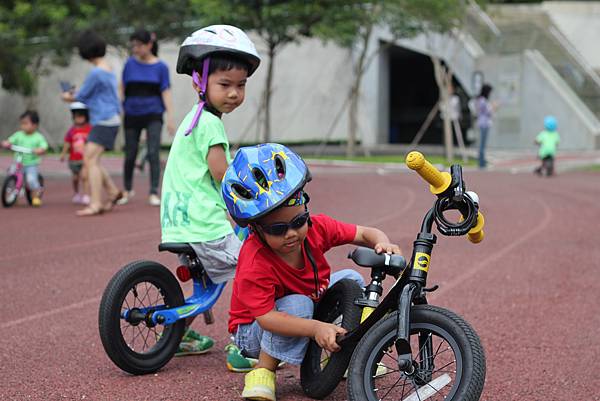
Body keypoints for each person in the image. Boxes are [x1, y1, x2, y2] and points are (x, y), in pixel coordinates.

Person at [222, 143, 403, 401]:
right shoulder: (255, 260)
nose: (291, 233)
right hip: (253, 331)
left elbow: (363, 233)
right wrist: (316, 327)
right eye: (277, 229)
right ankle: (263, 371)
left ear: (306, 211)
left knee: (350, 280)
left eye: (298, 222)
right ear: (256, 229)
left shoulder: (317, 228)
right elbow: (267, 318)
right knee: (297, 304)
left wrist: (381, 242)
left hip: (307, 301)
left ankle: (344, 355)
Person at [160, 25, 261, 358]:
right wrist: (254, 198)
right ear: (199, 83)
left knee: (205, 282)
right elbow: (222, 175)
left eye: (241, 85)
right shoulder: (211, 124)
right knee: (257, 267)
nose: (234, 93)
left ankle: (181, 336)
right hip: (205, 225)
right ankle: (245, 344)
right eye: (225, 84)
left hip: (181, 222)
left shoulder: (196, 117)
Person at [61, 30, 123, 216]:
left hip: (104, 120)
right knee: (93, 159)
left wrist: (66, 96)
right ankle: (112, 192)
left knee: (89, 160)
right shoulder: (108, 68)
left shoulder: (96, 72)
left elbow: (82, 96)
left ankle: (95, 203)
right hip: (110, 119)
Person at [119, 29, 176, 207]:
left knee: (153, 153)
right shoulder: (129, 64)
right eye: (133, 45)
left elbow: (165, 92)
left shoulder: (161, 67)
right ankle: (127, 190)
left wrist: (170, 117)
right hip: (131, 114)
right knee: (130, 154)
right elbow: (121, 88)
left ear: (149, 45)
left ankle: (153, 192)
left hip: (153, 114)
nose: (135, 49)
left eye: (139, 45)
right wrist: (121, 108)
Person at [1, 111, 48, 207]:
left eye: (26, 123)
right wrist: (6, 143)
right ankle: (14, 197)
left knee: (31, 180)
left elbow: (43, 146)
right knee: (11, 175)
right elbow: (10, 140)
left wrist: (40, 150)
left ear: (35, 125)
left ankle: (35, 196)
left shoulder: (38, 137)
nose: (23, 126)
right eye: (22, 123)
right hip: (18, 162)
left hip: (31, 163)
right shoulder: (19, 134)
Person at [59, 102, 92, 204]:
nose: (79, 119)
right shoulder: (72, 131)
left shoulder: (89, 129)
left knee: (84, 176)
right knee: (75, 178)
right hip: (74, 159)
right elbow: (67, 143)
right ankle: (76, 193)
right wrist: (63, 154)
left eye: (81, 116)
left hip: (85, 159)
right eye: (77, 117)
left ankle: (87, 195)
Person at [476, 83, 495, 169]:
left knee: (482, 144)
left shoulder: (481, 100)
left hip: (483, 123)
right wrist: (494, 107)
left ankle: (482, 161)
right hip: (484, 123)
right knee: (482, 144)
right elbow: (488, 112)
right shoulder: (483, 101)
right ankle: (481, 162)